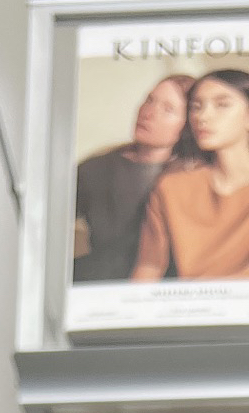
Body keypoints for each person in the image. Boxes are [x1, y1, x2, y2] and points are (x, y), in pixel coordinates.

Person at [131, 68, 249, 282]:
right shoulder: (171, 188)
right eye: (196, 107)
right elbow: (149, 267)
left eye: (222, 105)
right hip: (200, 301)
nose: (202, 116)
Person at [73, 74, 192, 282]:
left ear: (188, 125)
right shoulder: (96, 168)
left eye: (168, 109)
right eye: (149, 100)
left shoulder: (193, 177)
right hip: (101, 282)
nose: (149, 113)